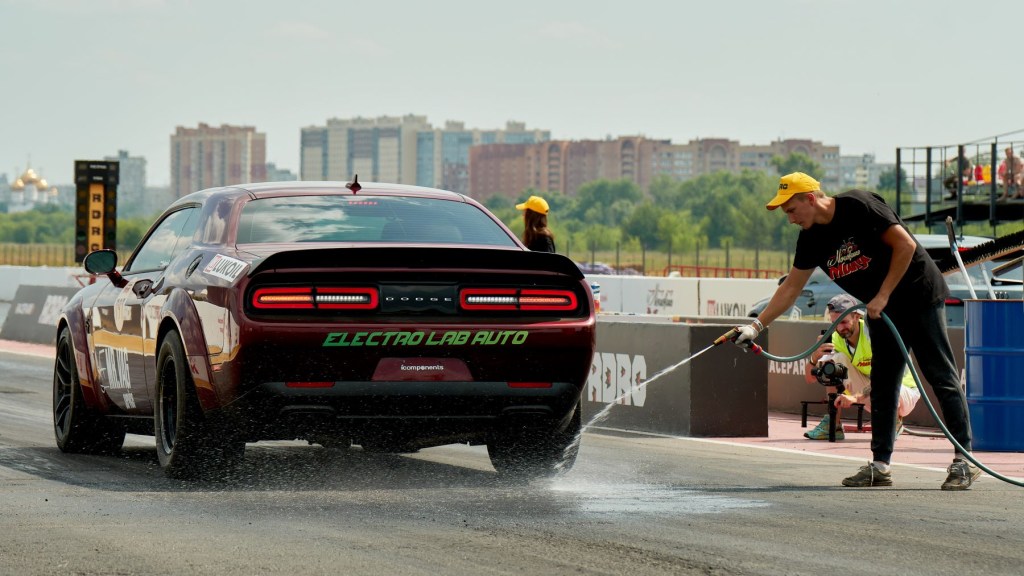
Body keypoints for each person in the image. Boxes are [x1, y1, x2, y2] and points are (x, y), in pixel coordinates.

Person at [732, 172, 980, 490]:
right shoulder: (811, 237)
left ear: (810, 198)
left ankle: (964, 461)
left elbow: (905, 245)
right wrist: (755, 326)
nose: (790, 219)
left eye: (791, 210)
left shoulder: (859, 206)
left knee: (940, 375)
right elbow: (791, 289)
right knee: (884, 383)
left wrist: (883, 295)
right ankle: (880, 466)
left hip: (918, 294)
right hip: (882, 307)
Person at [802, 293, 921, 441]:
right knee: (834, 362)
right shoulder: (835, 338)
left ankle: (893, 421)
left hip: (902, 391)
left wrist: (854, 397)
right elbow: (810, 378)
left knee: (886, 382)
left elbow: (885, 379)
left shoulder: (875, 333)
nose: (840, 328)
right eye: (835, 323)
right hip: (872, 392)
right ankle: (833, 424)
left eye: (844, 322)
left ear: (857, 316)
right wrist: (814, 358)